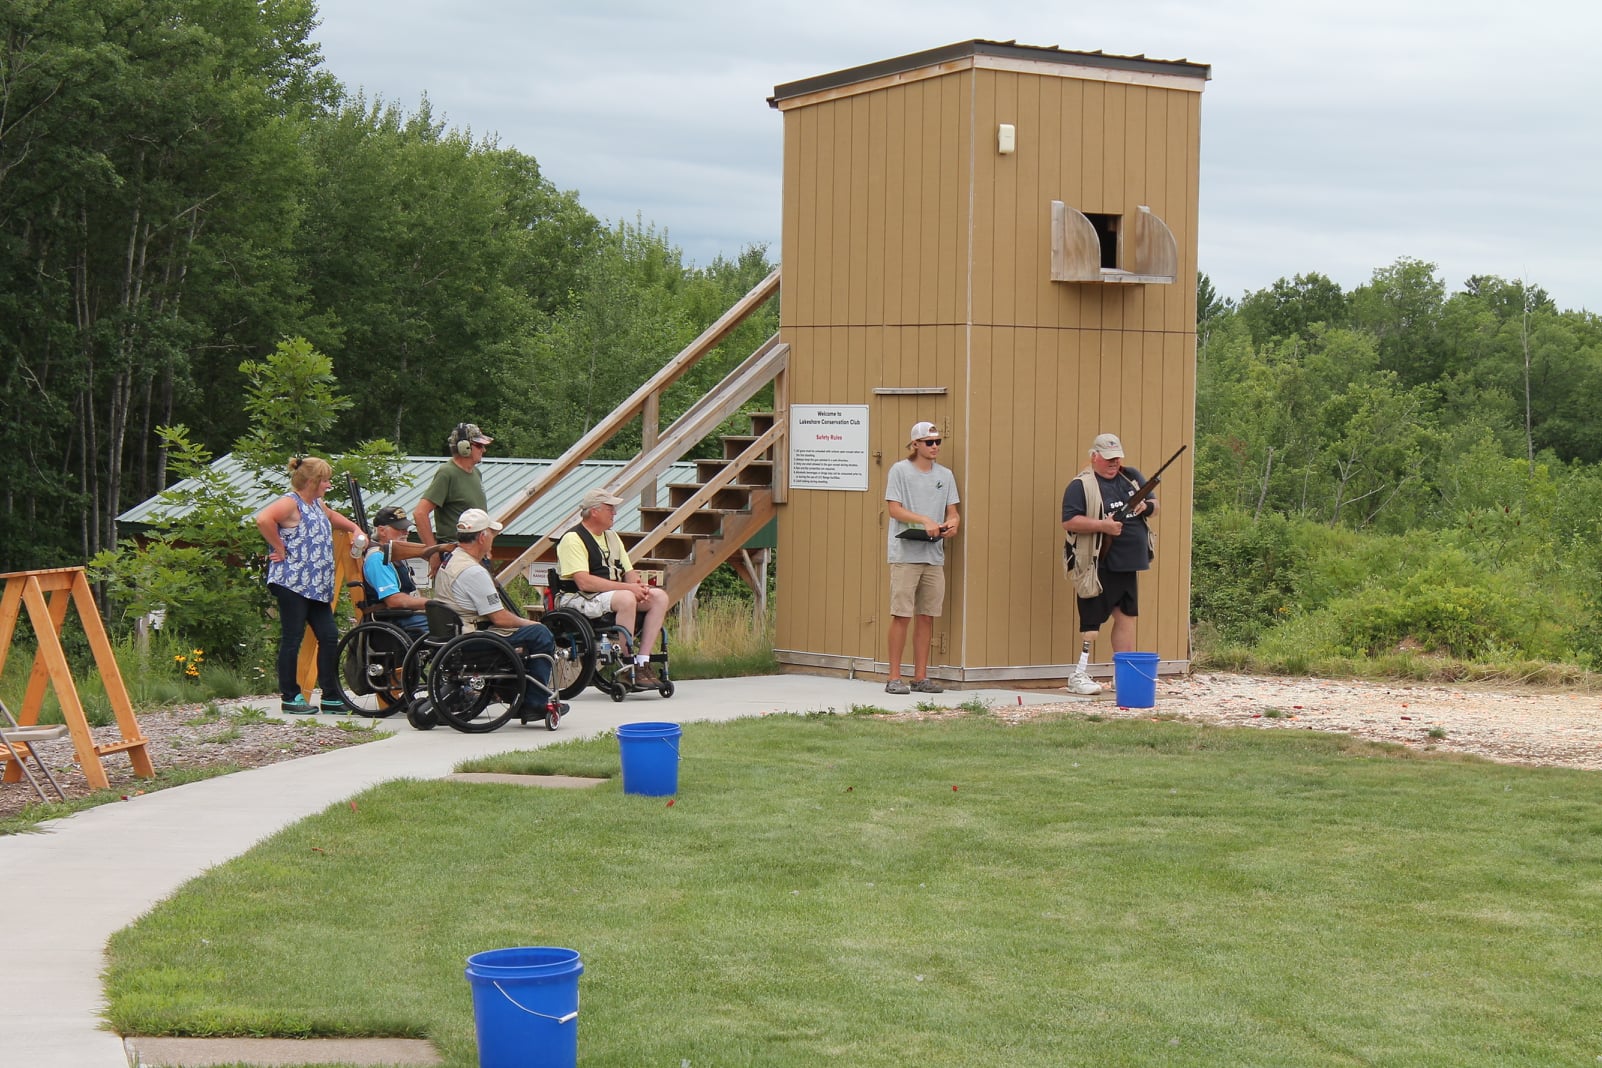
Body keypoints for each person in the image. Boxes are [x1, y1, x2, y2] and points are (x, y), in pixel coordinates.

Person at [254, 456, 368, 715]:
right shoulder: (290, 503)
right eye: (325, 480)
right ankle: (290, 696)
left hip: (316, 585)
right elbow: (264, 520)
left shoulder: (316, 503)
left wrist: (354, 527)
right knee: (292, 638)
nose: (328, 484)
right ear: (313, 481)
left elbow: (331, 516)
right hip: (292, 582)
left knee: (328, 636)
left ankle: (329, 696)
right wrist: (279, 547)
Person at [431, 508, 564, 720]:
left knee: (526, 633)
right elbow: (499, 618)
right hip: (471, 639)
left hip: (454, 635)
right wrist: (529, 623)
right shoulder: (473, 571)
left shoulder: (451, 559)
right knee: (540, 634)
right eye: (491, 533)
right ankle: (534, 703)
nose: (493, 538)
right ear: (482, 536)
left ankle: (510, 691)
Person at [1060, 432, 1157, 695]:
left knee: (1126, 618)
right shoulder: (1080, 486)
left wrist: (1144, 507)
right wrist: (1103, 526)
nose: (1114, 463)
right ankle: (1079, 674)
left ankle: (1122, 675)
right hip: (1097, 563)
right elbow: (1070, 521)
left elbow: (1155, 505)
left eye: (1117, 458)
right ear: (1095, 457)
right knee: (1091, 624)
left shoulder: (1132, 476)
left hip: (1129, 562)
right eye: (1108, 458)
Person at [555, 488, 671, 687]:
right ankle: (628, 664)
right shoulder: (572, 539)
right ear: (594, 511)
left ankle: (643, 661)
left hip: (610, 595)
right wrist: (628, 589)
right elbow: (584, 581)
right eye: (610, 508)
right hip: (580, 598)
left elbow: (628, 570)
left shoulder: (612, 537)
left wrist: (638, 587)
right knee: (626, 598)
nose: (614, 513)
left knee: (659, 596)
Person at [883, 420, 961, 695]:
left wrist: (953, 523)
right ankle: (894, 677)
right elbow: (894, 509)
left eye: (938, 441)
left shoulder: (946, 475)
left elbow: (953, 510)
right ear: (915, 444)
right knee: (902, 614)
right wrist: (924, 520)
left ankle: (920, 677)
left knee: (927, 616)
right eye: (929, 442)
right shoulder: (899, 471)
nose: (935, 446)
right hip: (905, 554)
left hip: (933, 554)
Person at [414, 421, 492, 574]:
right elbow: (420, 513)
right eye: (479, 445)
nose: (483, 449)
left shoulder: (476, 473)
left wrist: (487, 548)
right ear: (465, 447)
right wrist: (433, 553)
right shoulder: (447, 473)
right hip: (456, 555)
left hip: (476, 555)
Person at [360, 505, 432, 634]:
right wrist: (431, 603)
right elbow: (394, 600)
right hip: (393, 620)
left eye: (406, 528)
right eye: (400, 528)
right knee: (445, 626)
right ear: (382, 531)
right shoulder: (377, 558)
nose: (406, 532)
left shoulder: (397, 554)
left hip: (405, 616)